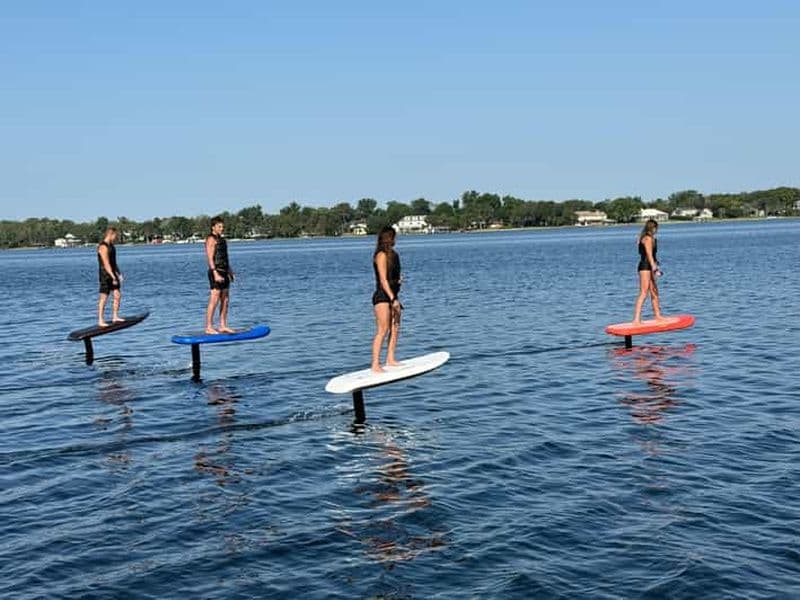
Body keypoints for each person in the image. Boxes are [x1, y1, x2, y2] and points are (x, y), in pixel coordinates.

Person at [371, 226, 403, 372]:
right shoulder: (381, 255)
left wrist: (398, 281)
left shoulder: (394, 255)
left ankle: (390, 358)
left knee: (395, 326)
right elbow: (383, 280)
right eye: (394, 237)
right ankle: (375, 364)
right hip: (383, 296)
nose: (396, 240)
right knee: (383, 329)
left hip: (393, 294)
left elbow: (392, 276)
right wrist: (392, 298)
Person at [205, 216, 235, 334]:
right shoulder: (211, 239)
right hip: (215, 271)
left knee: (225, 299)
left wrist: (230, 271)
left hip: (224, 271)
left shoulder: (222, 240)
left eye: (222, 226)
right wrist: (215, 273)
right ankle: (209, 326)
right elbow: (210, 258)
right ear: (213, 227)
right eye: (219, 226)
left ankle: (223, 325)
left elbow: (225, 257)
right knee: (214, 299)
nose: (222, 228)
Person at [632, 218, 666, 325]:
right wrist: (654, 268)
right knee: (643, 292)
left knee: (654, 292)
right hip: (645, 266)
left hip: (650, 266)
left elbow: (652, 255)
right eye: (656, 228)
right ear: (653, 228)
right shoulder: (647, 239)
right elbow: (648, 254)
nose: (657, 230)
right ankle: (636, 319)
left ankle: (658, 316)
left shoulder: (651, 238)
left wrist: (655, 264)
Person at [97, 227, 124, 327]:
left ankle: (115, 316)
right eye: (115, 236)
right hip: (105, 275)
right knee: (104, 297)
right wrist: (113, 277)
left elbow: (113, 263)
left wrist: (119, 274)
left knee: (117, 295)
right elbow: (106, 263)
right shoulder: (103, 247)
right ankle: (100, 320)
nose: (116, 238)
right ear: (110, 234)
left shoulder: (112, 246)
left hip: (113, 273)